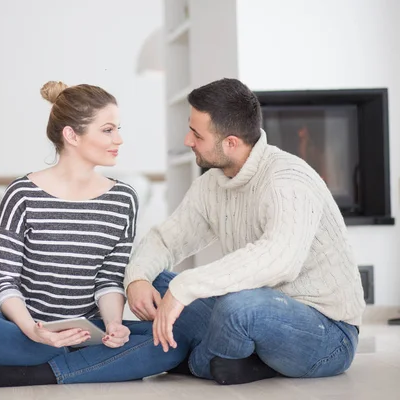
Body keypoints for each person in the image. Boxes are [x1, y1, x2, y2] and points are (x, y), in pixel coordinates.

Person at [0, 81, 189, 388]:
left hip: (90, 331)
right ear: (71, 135)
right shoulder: (22, 195)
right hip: (25, 330)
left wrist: (113, 324)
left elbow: (109, 278)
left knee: (171, 342)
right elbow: (4, 280)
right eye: (108, 130)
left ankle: (37, 372)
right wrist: (34, 330)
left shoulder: (123, 199)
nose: (119, 139)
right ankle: (85, 363)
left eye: (118, 129)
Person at [125, 77, 365, 385]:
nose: (188, 140)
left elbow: (280, 258)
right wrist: (138, 279)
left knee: (239, 306)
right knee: (154, 279)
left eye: (196, 134)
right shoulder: (212, 184)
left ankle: (197, 358)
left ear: (231, 143)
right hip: (248, 310)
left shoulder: (288, 179)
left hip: (326, 333)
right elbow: (166, 239)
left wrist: (186, 286)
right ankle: (226, 358)